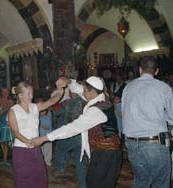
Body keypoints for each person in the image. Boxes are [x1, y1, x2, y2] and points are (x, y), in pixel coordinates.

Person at [32, 76, 122, 188]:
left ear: (93, 92)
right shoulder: (101, 97)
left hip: (107, 154)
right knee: (93, 182)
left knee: (99, 184)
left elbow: (72, 128)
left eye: (85, 91)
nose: (82, 93)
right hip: (102, 152)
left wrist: (45, 138)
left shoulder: (96, 111)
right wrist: (68, 81)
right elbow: (79, 88)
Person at [121, 57, 173, 188]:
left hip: (132, 143)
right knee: (160, 182)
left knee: (141, 181)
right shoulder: (163, 87)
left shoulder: (128, 87)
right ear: (156, 71)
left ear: (140, 70)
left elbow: (124, 113)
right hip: (154, 143)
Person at [8, 80, 65, 188]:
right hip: (21, 150)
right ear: (20, 95)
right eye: (28, 94)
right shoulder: (13, 111)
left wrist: (60, 91)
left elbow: (51, 102)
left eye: (32, 93)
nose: (31, 96)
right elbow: (15, 131)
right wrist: (28, 142)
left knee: (40, 177)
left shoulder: (35, 107)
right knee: (23, 179)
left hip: (35, 149)